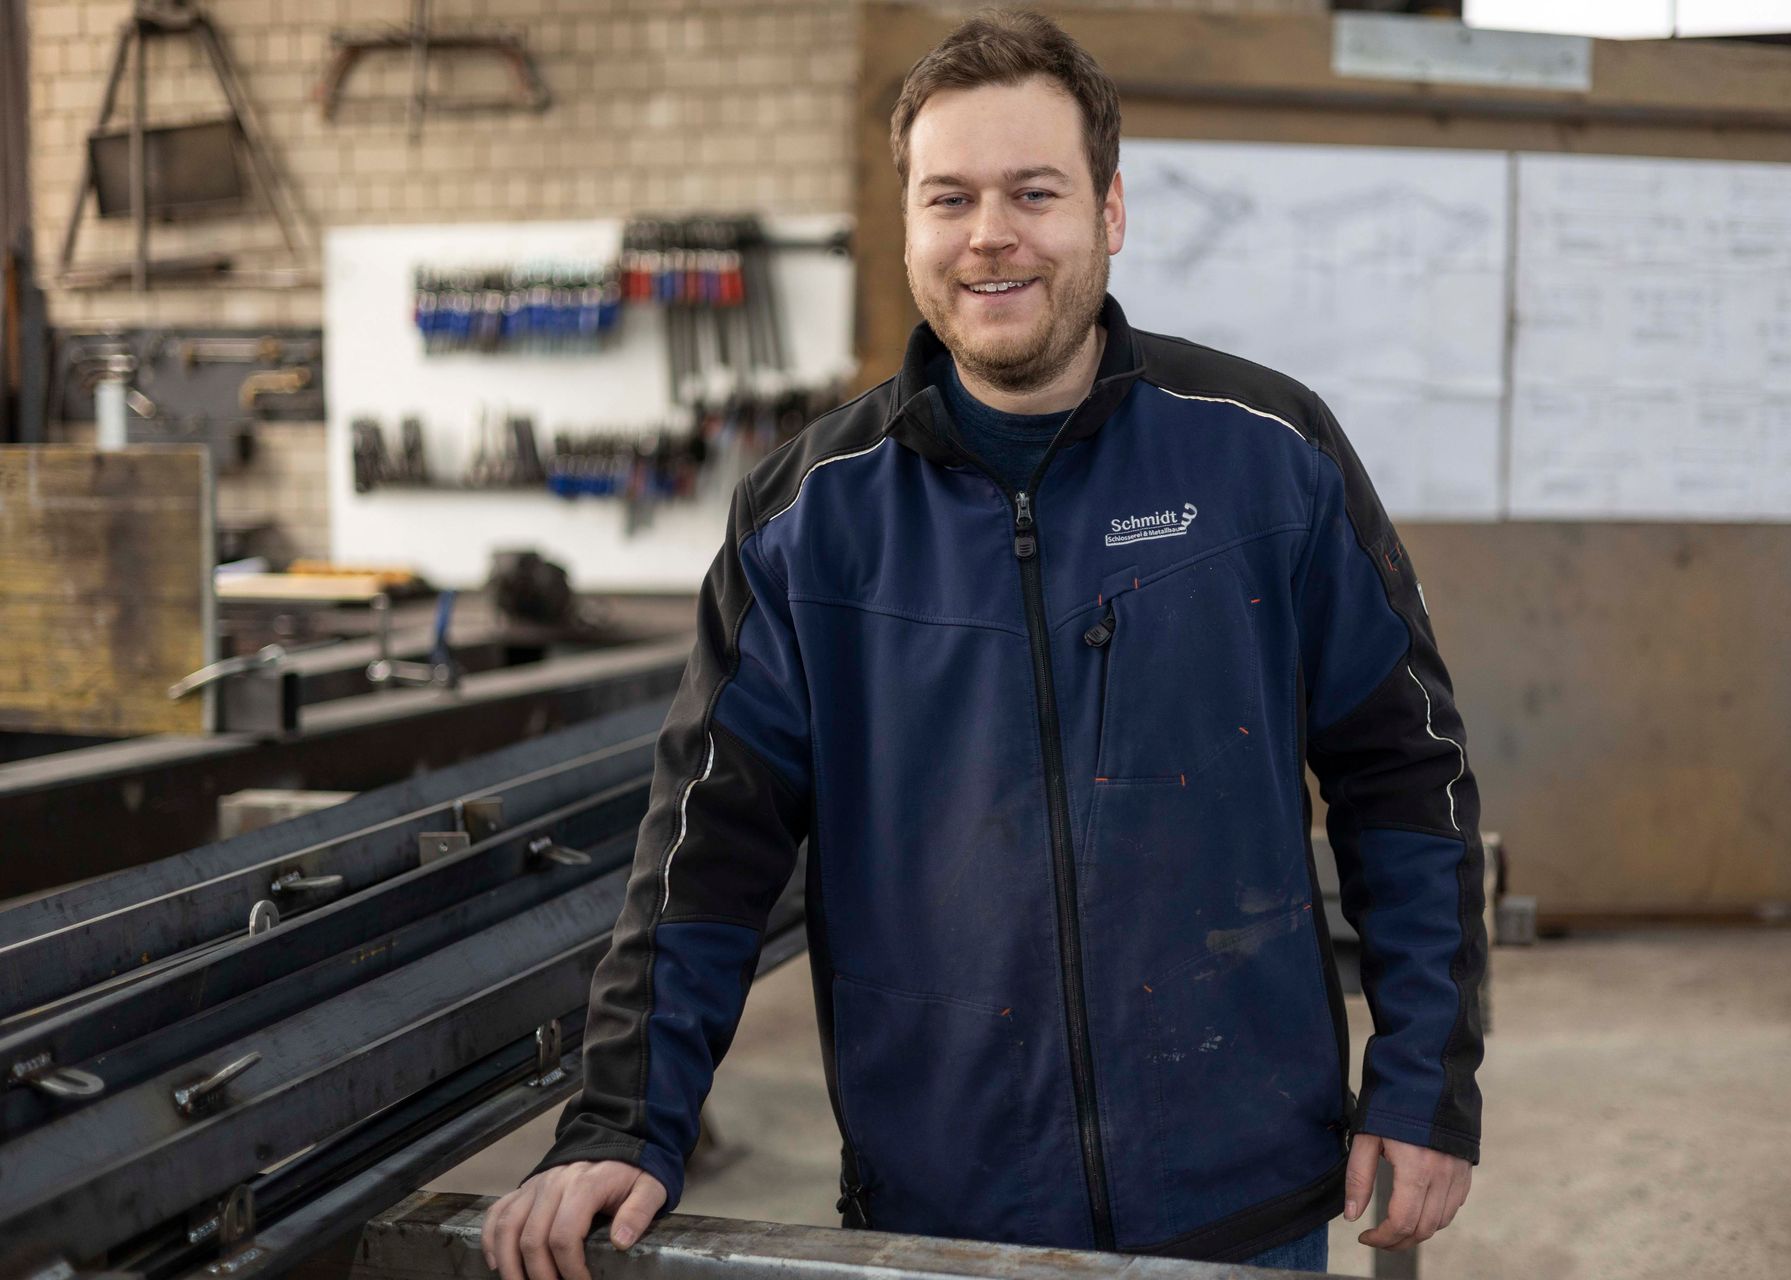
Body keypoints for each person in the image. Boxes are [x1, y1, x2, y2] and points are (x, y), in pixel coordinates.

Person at [483, 10, 1485, 1278]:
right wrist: (624, 1118)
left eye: (1034, 192)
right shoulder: (810, 517)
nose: (989, 234)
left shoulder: (1265, 453)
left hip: (1241, 1202)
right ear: (908, 225)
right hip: (936, 1216)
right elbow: (708, 846)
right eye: (948, 197)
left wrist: (1422, 1082)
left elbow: (1408, 773)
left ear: (1111, 213)